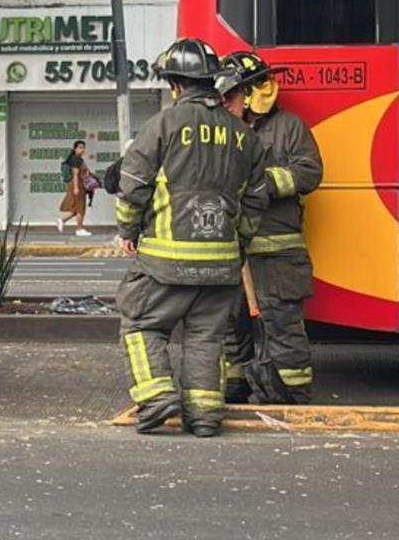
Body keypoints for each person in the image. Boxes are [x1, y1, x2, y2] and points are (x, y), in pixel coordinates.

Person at [114, 38, 270, 437]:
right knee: (205, 337)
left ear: (175, 85)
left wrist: (128, 231)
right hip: (222, 265)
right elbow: (256, 200)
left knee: (140, 324)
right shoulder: (243, 135)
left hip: (164, 263)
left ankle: (156, 396)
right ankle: (203, 416)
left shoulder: (161, 126)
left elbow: (132, 186)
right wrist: (238, 246)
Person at [217, 51, 323, 405]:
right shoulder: (221, 129)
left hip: (276, 253)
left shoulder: (288, 127)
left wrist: (260, 183)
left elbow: (309, 172)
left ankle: (292, 392)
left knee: (282, 324)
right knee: (231, 324)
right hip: (232, 250)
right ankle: (236, 386)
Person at [57, 140, 92, 236]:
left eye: (83, 147)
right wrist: (76, 188)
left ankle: (62, 220)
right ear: (75, 149)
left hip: (79, 184)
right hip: (77, 185)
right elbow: (75, 174)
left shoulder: (79, 159)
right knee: (80, 208)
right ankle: (79, 229)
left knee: (76, 209)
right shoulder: (76, 159)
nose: (82, 149)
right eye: (80, 147)